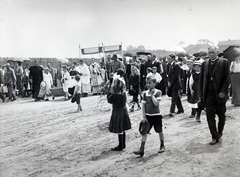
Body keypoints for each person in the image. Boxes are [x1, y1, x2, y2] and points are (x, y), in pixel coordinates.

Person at [199, 46, 230, 145]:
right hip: (208, 94)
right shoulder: (204, 64)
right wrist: (201, 95)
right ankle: (214, 136)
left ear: (217, 52)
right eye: (209, 52)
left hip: (220, 94)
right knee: (210, 116)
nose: (211, 54)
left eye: (213, 52)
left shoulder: (224, 62)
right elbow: (201, 80)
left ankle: (220, 132)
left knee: (221, 115)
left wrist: (223, 91)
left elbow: (227, 78)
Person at [133, 75, 165, 157]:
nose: (148, 85)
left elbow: (156, 103)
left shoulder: (158, 92)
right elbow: (143, 106)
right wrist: (144, 117)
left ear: (155, 83)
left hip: (156, 115)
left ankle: (162, 145)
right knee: (144, 131)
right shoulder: (144, 93)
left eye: (150, 83)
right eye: (147, 83)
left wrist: (152, 95)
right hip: (148, 116)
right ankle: (141, 148)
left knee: (159, 130)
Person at [107, 74, 131, 151]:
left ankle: (121, 145)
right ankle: (122, 144)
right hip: (123, 111)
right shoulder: (123, 93)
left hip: (118, 112)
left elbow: (109, 100)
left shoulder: (115, 94)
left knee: (119, 129)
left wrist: (109, 92)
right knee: (122, 129)